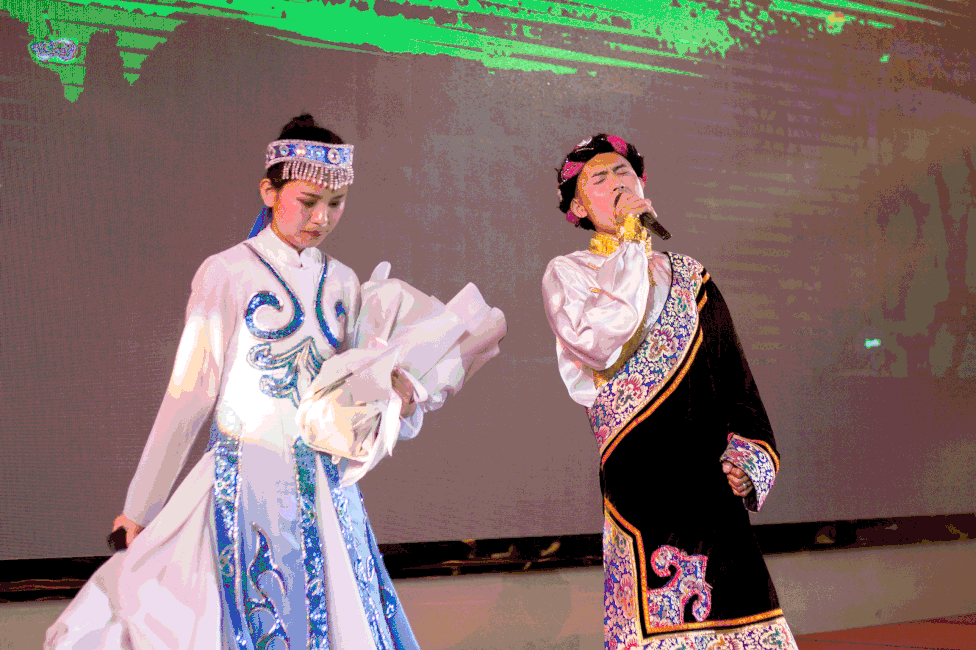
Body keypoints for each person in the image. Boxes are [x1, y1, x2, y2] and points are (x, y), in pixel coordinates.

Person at [47, 115, 449, 650]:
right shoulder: (228, 272)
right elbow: (189, 394)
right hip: (244, 483)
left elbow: (357, 392)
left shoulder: (345, 282)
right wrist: (141, 508)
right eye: (308, 201)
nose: (322, 218)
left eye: (336, 204)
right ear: (269, 191)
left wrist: (398, 394)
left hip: (328, 489)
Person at [541, 134, 799, 650]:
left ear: (643, 185)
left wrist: (749, 459)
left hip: (711, 486)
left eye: (624, 173)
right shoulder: (568, 274)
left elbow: (735, 378)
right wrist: (630, 242)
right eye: (599, 179)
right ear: (578, 207)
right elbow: (603, 342)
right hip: (642, 480)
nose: (617, 183)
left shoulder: (689, 276)